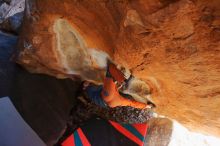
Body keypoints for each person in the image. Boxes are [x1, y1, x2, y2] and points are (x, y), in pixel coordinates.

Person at [61, 60, 154, 146]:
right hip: (102, 99)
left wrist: (146, 106)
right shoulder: (117, 100)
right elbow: (132, 103)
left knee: (106, 85)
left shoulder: (110, 97)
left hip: (101, 97)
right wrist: (146, 106)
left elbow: (110, 70)